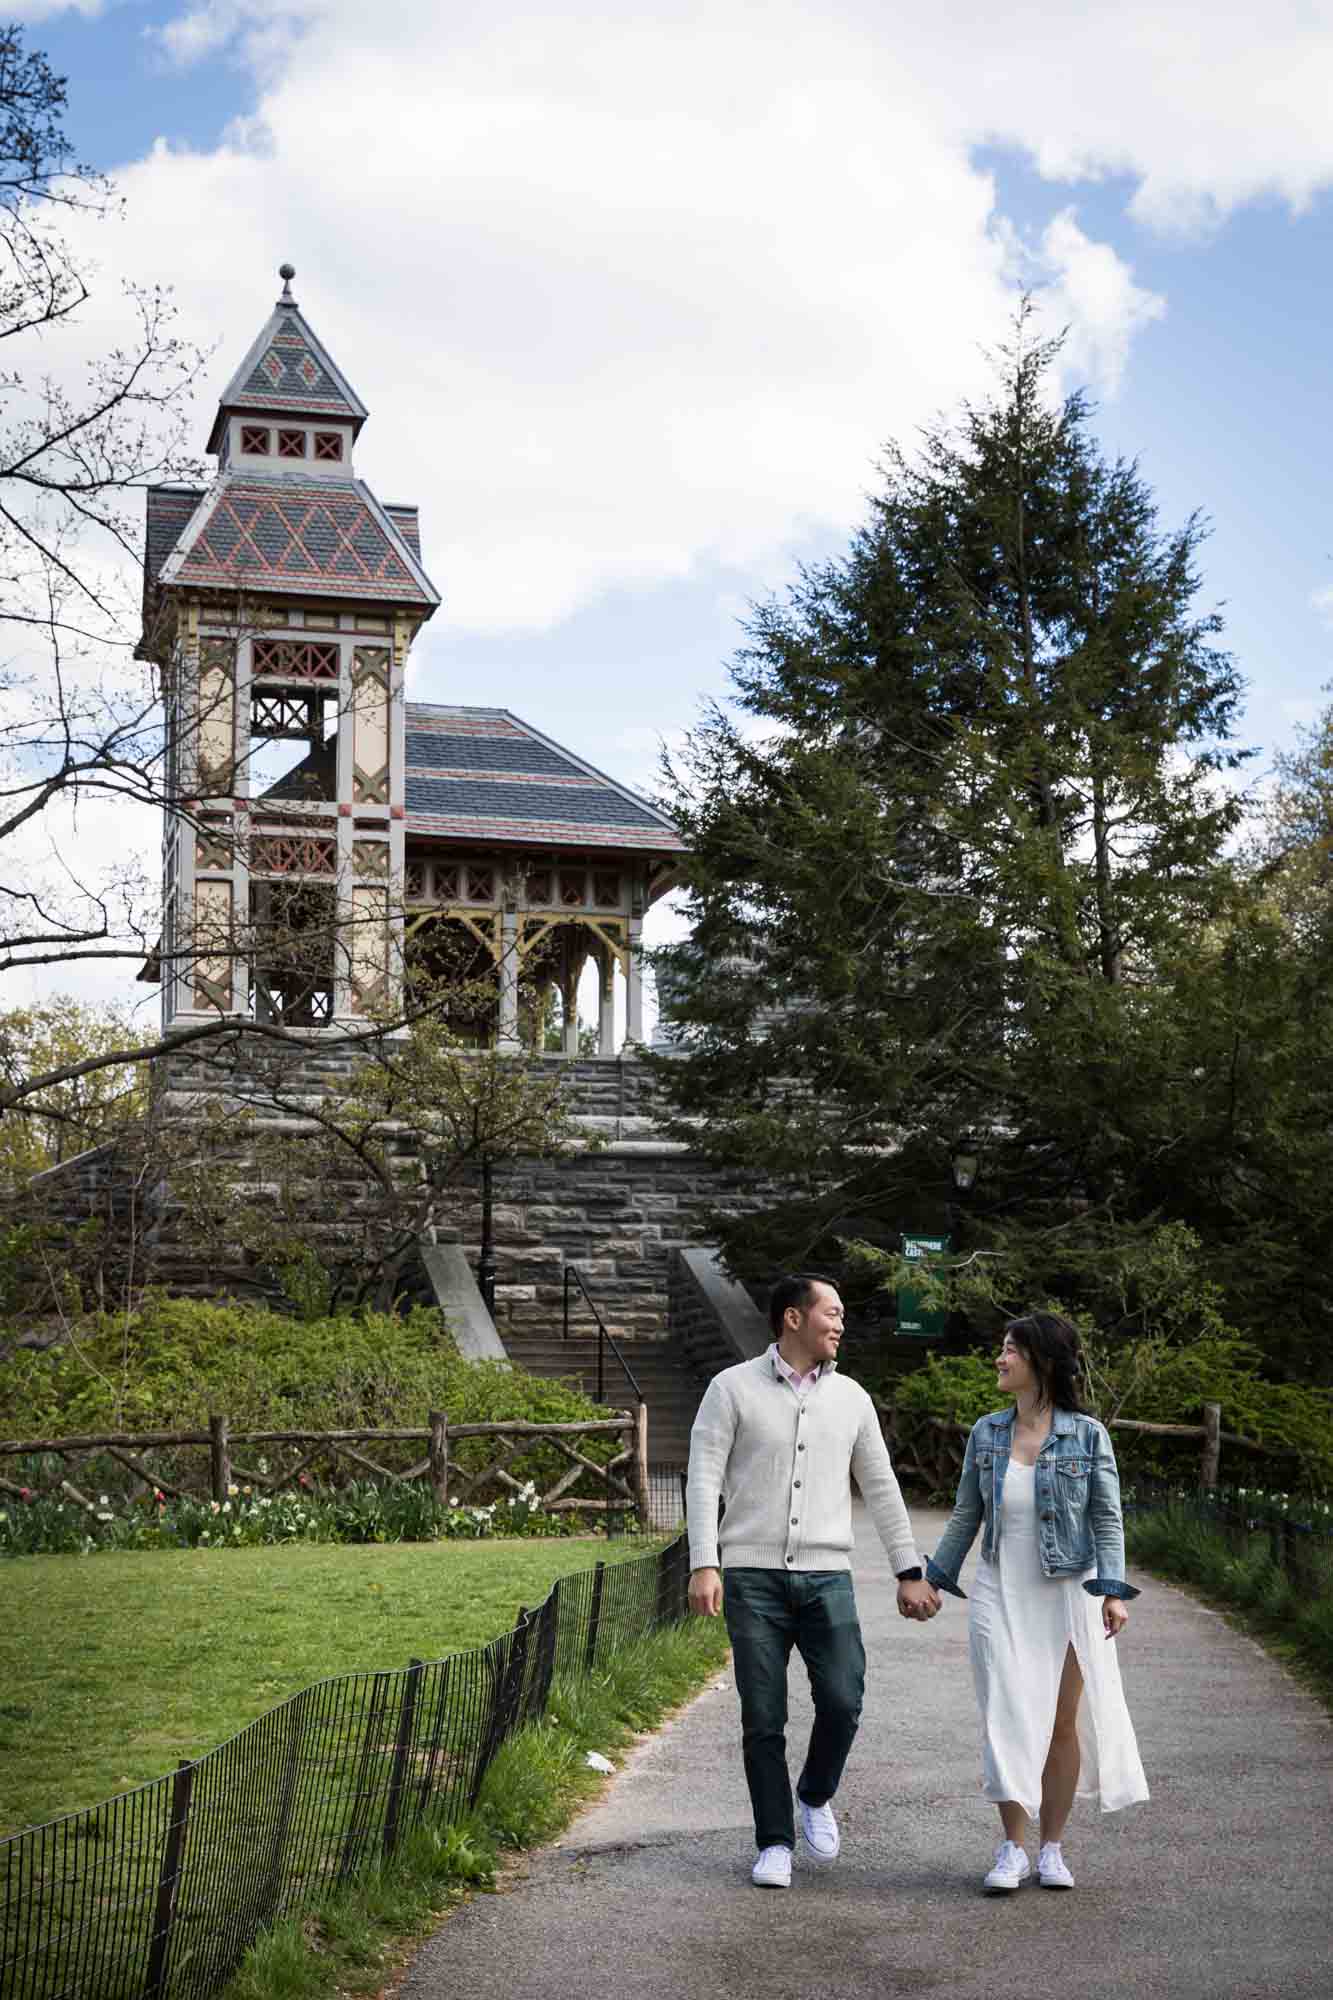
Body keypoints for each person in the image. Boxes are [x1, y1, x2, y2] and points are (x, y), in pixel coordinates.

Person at [686, 1272, 939, 1889]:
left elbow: (881, 1486)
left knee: (844, 1700)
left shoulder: (852, 1397)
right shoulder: (731, 1388)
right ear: (793, 1319)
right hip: (753, 1578)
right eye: (832, 1311)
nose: (840, 1323)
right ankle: (774, 1841)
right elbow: (702, 1477)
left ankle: (814, 1795)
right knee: (763, 1717)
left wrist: (909, 1570)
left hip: (829, 1576)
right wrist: (704, 1561)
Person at [926, 1311, 1149, 1894]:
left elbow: (1107, 1518)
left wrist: (1113, 1591)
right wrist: (933, 1577)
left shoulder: (1088, 1434)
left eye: (1009, 1350)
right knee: (1005, 1712)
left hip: (1069, 1589)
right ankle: (1011, 1848)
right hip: (1000, 1588)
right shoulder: (987, 1432)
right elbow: (965, 1516)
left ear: (1042, 1360)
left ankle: (1051, 1848)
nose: (999, 1359)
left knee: (1059, 1724)